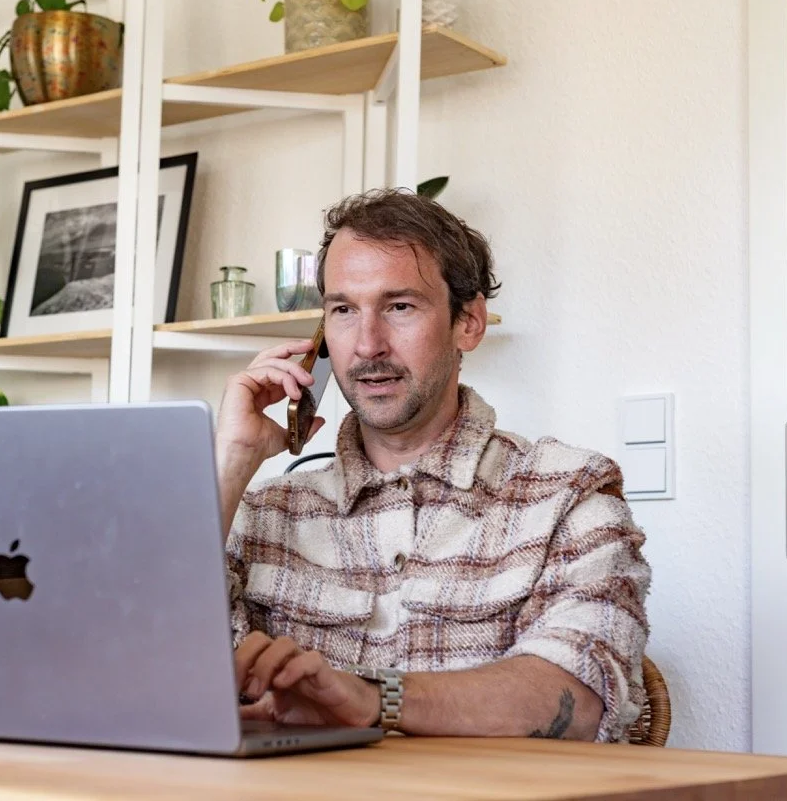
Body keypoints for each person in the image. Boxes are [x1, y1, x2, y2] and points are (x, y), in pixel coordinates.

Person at [214, 189, 651, 742]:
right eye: (344, 310)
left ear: (468, 322)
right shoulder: (261, 516)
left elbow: (580, 695)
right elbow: (153, 667)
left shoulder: (568, 497)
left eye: (400, 307)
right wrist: (231, 464)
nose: (367, 345)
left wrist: (373, 699)